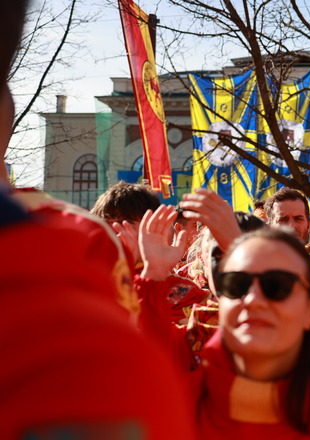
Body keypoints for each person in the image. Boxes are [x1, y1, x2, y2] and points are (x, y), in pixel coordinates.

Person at [0, 3, 195, 437]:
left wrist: (152, 277)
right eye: (114, 225)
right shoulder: (72, 250)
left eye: (136, 226)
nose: (127, 237)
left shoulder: (180, 295)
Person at [138, 214, 310, 439]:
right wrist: (152, 276)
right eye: (237, 284)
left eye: (276, 286)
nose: (253, 299)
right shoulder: (179, 409)